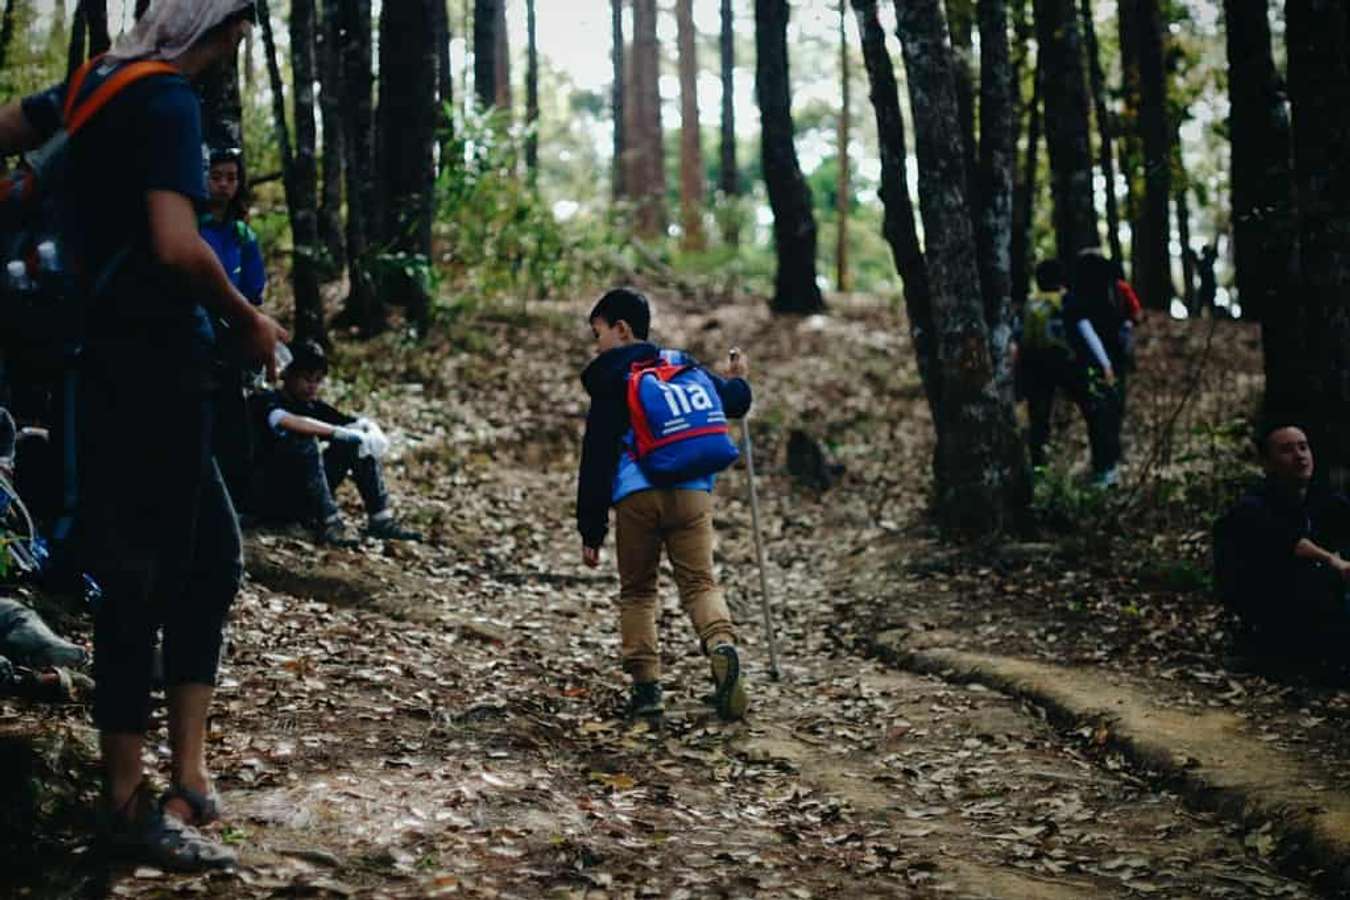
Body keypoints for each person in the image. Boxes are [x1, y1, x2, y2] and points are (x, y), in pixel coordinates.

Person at [0, 0, 288, 871]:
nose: (239, 42)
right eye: (240, 27)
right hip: (153, 366)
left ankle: (188, 779)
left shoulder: (97, 82)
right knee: (140, 578)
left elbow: (10, 126)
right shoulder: (167, 102)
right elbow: (175, 243)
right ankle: (124, 801)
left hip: (111, 361)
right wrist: (249, 321)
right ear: (220, 24)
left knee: (212, 558)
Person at [577, 288, 752, 722]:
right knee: (700, 585)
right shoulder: (679, 365)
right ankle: (720, 645)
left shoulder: (610, 380)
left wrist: (591, 528)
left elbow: (596, 457)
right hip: (692, 492)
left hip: (637, 495)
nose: (596, 345)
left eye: (598, 333)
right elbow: (734, 401)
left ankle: (647, 688)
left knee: (638, 592)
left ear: (621, 328)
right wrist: (740, 378)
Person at [247, 339, 420, 546]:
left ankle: (381, 519)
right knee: (306, 442)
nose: (312, 386)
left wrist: (369, 430)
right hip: (270, 492)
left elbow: (351, 423)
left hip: (302, 496)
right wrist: (337, 432)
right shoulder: (267, 400)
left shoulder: (313, 406)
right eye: (306, 378)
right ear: (287, 374)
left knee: (358, 443)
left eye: (317, 380)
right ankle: (329, 523)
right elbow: (284, 420)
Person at [1214, 423, 1350, 669]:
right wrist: (1334, 562)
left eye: (1303, 447)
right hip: (1272, 608)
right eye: (1287, 450)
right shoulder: (1252, 506)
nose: (1299, 456)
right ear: (1267, 463)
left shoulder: (1324, 498)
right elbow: (1291, 542)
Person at [200, 146, 267, 505]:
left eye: (231, 178)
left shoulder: (242, 235)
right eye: (216, 177)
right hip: (194, 337)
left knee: (234, 434)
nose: (224, 185)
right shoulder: (188, 226)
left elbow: (254, 293)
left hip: (231, 343)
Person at [1064, 249, 1126, 485]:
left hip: (1097, 365)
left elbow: (1086, 332)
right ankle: (1106, 468)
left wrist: (1105, 363)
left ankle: (1106, 468)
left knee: (1101, 417)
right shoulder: (1107, 295)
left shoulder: (1079, 298)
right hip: (1105, 365)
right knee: (1106, 415)